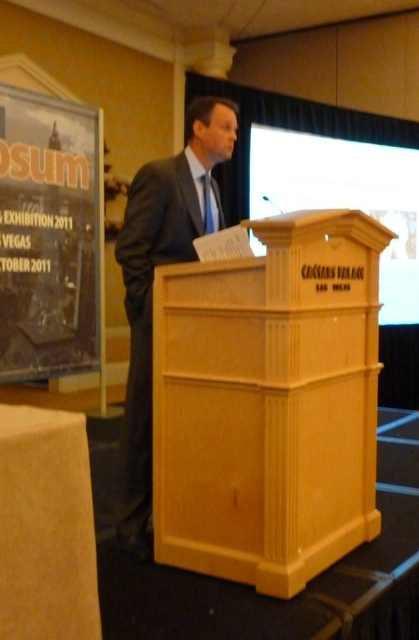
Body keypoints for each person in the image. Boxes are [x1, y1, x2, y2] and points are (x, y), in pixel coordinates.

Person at [114, 96, 239, 561]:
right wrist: (147, 306)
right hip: (161, 319)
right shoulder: (161, 175)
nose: (233, 136)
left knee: (183, 424)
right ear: (199, 129)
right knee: (144, 422)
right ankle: (129, 526)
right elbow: (131, 249)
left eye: (235, 129)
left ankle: (169, 517)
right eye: (226, 127)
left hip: (200, 324)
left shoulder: (214, 189)